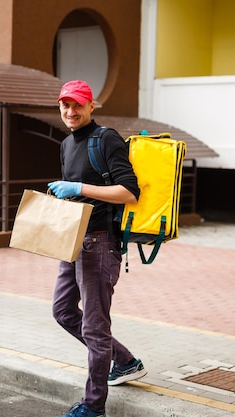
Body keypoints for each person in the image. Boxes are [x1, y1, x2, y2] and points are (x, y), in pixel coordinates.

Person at [48, 80, 147, 417]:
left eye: (77, 105)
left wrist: (78, 186)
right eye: (65, 106)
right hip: (73, 239)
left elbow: (129, 192)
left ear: (91, 106)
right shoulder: (65, 144)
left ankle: (94, 406)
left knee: (94, 326)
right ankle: (125, 361)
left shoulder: (105, 139)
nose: (71, 112)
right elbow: (76, 197)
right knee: (62, 311)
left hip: (100, 243)